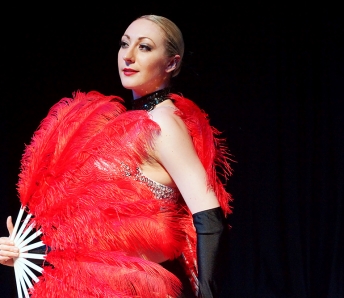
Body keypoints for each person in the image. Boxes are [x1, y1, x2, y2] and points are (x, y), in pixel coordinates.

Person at [0, 14, 233, 297]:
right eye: (125, 44)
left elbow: (209, 219)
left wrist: (207, 294)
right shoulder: (128, 124)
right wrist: (29, 251)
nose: (129, 56)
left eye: (144, 47)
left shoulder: (163, 124)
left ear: (172, 63)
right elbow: (95, 230)